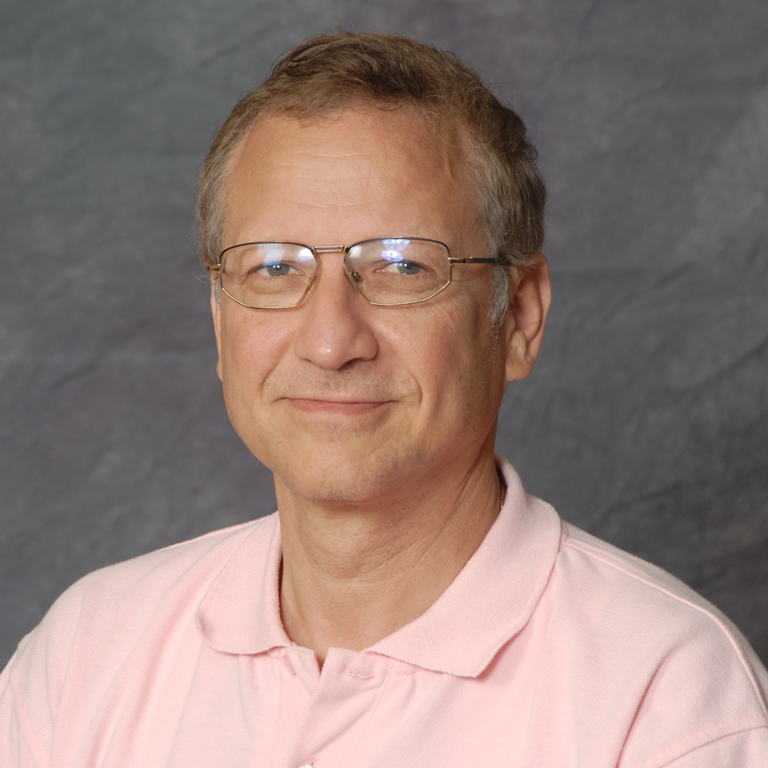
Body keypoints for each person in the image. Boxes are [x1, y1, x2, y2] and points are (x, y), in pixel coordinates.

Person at [1, 31, 766, 767]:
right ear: (219, 317)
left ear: (520, 318)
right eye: (274, 267)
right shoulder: (85, 660)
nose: (331, 341)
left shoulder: (668, 705)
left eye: (403, 266)